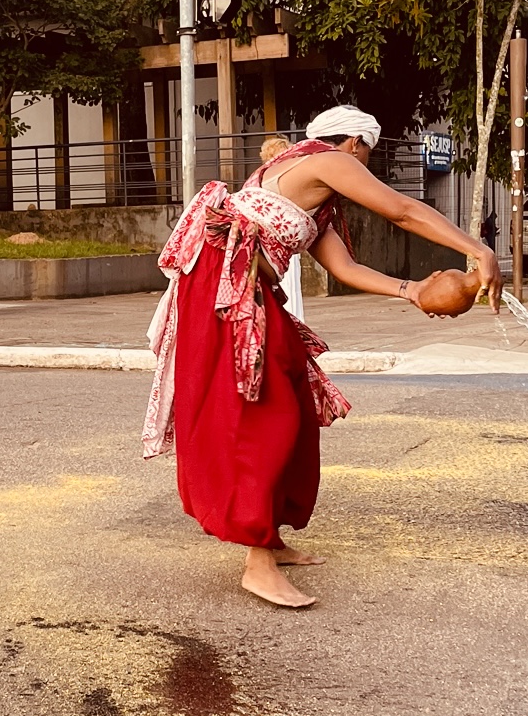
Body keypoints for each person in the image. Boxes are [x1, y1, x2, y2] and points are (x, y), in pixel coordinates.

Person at [144, 105, 501, 610]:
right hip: (224, 290)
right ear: (355, 142)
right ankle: (257, 563)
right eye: (368, 154)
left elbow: (345, 267)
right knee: (266, 417)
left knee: (292, 398)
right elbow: (401, 209)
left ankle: (269, 539)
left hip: (247, 290)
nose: (366, 165)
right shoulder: (325, 159)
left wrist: (414, 291)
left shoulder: (319, 197)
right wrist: (478, 250)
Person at [258, 136, 307, 320]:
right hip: (279, 237)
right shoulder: (276, 177)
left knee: (287, 279)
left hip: (278, 236)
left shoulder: (262, 177)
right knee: (287, 280)